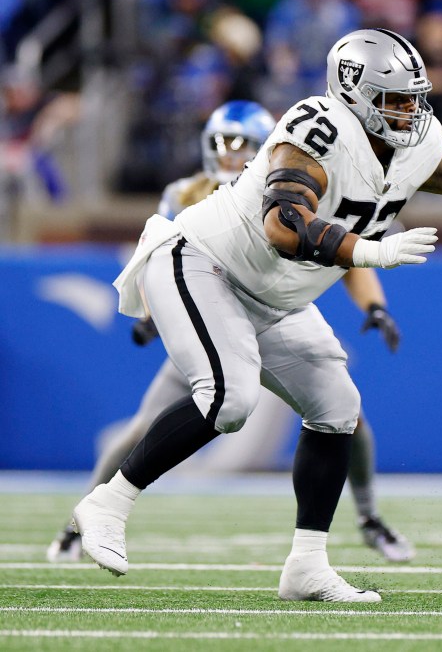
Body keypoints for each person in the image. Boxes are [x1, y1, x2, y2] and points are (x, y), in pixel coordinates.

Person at [70, 28, 442, 603]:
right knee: (230, 398)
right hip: (203, 263)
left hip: (277, 297)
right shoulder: (316, 130)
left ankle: (306, 565)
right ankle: (107, 504)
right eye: (394, 99)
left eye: (415, 97)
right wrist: (370, 251)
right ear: (354, 92)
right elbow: (283, 223)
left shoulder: (413, 143)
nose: (409, 110)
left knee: (338, 409)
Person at [48, 100, 415, 565]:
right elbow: (164, 256)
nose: (229, 154)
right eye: (222, 143)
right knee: (155, 423)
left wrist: (375, 305)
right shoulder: (187, 194)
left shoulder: (302, 184)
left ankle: (368, 517)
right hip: (210, 325)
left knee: (343, 412)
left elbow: (347, 253)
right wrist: (152, 315)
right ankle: (84, 519)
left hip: (272, 318)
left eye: (241, 144)